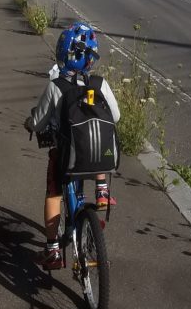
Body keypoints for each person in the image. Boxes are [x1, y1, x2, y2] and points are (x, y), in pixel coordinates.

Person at [24, 21, 120, 270]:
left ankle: (53, 250)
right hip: (98, 155)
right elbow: (115, 117)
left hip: (66, 156)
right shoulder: (100, 84)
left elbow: (38, 122)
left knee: (54, 194)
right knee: (96, 145)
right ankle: (102, 190)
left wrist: (30, 123)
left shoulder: (56, 87)